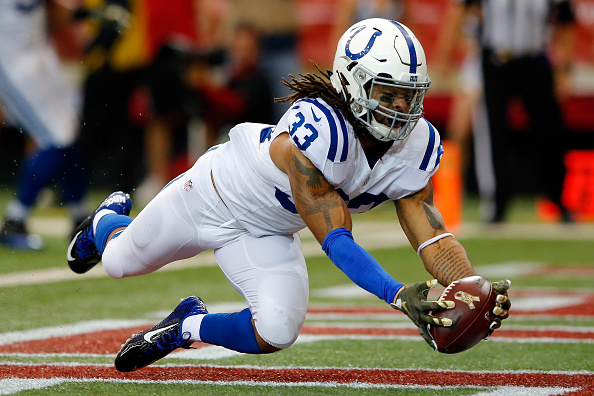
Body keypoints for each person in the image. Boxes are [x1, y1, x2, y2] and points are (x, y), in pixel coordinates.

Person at [67, 19, 511, 372]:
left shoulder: (414, 146)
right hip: (211, 194)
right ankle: (108, 219)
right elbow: (336, 238)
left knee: (277, 329)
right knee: (118, 263)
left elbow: (431, 234)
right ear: (353, 85)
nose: (400, 108)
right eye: (387, 94)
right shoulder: (320, 130)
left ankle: (184, 326)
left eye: (408, 96)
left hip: (268, 231)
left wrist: (470, 289)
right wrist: (397, 295)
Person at [458, 0, 576, 223]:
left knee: (550, 131)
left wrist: (565, 67)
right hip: (495, 60)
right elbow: (466, 11)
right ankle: (497, 205)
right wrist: (470, 45)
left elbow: (565, 20)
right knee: (494, 132)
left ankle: (559, 200)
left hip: (535, 60)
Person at [0, 0, 92, 250]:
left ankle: (79, 217)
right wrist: (90, 13)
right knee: (57, 137)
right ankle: (14, 220)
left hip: (38, 52)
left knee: (69, 133)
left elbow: (50, 13)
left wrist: (89, 13)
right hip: (10, 60)